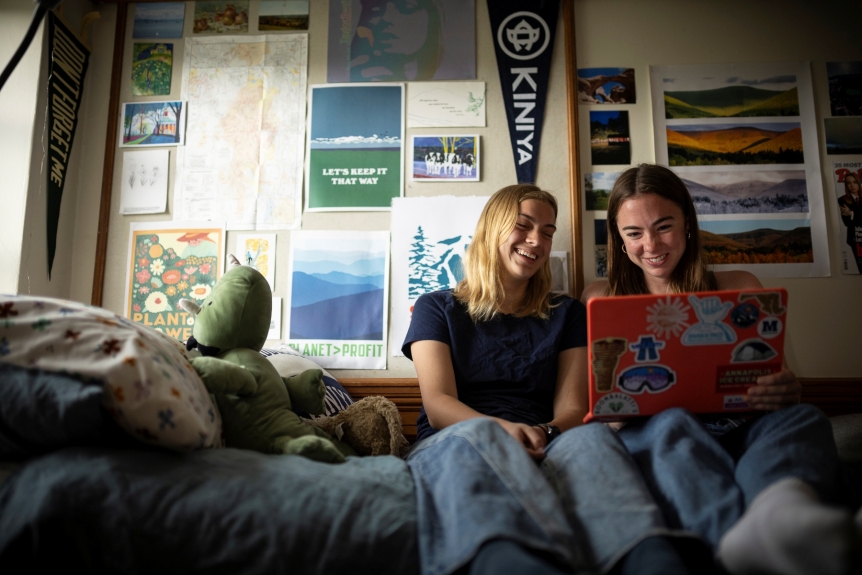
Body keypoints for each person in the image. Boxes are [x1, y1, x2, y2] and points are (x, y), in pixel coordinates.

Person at [403, 184, 713, 575]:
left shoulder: (567, 313)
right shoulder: (437, 307)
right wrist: (504, 431)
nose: (537, 240)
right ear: (492, 229)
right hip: (458, 436)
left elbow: (574, 409)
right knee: (477, 440)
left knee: (594, 436)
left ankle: (649, 558)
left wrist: (545, 433)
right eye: (524, 225)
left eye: (548, 232)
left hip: (547, 437)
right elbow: (438, 404)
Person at [581, 164, 859, 575]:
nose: (651, 244)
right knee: (672, 422)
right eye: (634, 233)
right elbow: (593, 406)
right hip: (658, 433)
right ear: (620, 243)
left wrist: (785, 390)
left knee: (802, 417)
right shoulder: (598, 299)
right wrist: (613, 417)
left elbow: (782, 380)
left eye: (664, 226)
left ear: (688, 225)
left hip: (739, 426)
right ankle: (729, 536)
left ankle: (780, 517)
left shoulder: (739, 283)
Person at [838, 172, 862, 274]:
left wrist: (852, 213)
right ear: (846, 185)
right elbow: (847, 222)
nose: (852, 185)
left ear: (859, 183)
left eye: (854, 182)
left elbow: (851, 218)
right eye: (848, 183)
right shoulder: (842, 200)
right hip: (856, 237)